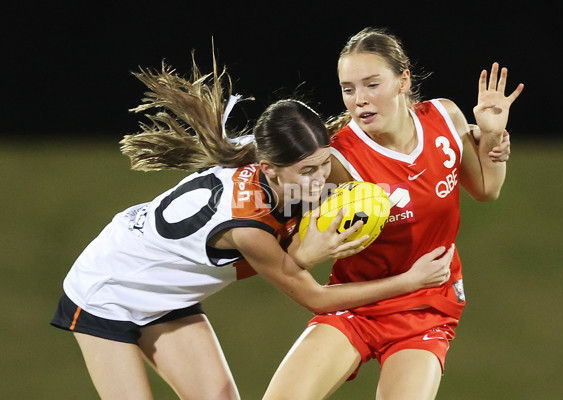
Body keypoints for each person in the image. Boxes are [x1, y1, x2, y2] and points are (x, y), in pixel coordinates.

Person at [50, 52, 457, 400]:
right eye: (308, 172)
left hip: (165, 296)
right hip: (107, 291)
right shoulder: (247, 225)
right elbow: (315, 298)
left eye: (323, 166)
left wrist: (484, 139)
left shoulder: (278, 154)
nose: (320, 181)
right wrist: (411, 281)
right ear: (270, 171)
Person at [263, 27, 524, 400]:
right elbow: (297, 256)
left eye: (372, 84)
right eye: (348, 89)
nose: (359, 100)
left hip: (426, 307)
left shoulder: (444, 117)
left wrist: (493, 137)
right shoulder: (337, 158)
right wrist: (307, 250)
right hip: (356, 304)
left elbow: (486, 189)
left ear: (404, 80)